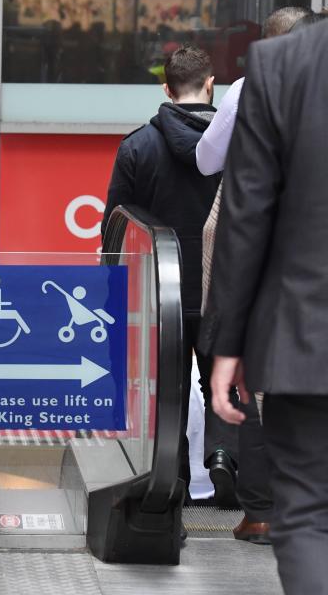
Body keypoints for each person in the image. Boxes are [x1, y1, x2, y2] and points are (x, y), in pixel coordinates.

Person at [200, 19, 328, 595]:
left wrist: (229, 341)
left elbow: (244, 215)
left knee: (305, 513)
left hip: (308, 332)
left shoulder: (277, 68)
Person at [101, 45, 222, 499]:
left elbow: (115, 221)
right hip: (220, 290)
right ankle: (223, 464)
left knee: (166, 391)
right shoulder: (238, 145)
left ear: (166, 88)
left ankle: (170, 483)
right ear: (211, 84)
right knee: (221, 387)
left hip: (160, 294)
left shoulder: (136, 145)